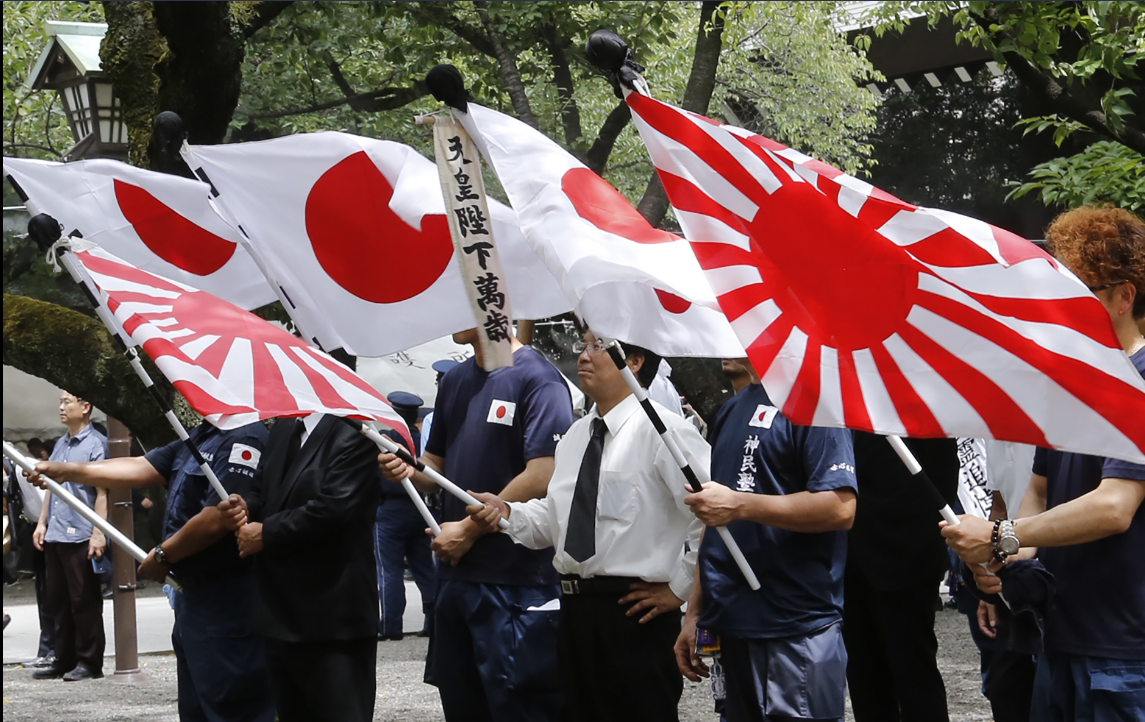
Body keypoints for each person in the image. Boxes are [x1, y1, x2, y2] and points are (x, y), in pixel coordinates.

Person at [943, 205, 1145, 721]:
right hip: (1062, 637)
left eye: (1080, 296)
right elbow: (1039, 490)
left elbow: (1114, 506)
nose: (1061, 310)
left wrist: (1000, 537)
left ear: (1124, 296)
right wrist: (1009, 563)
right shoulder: (1077, 385)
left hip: (1126, 655)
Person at [464, 331, 707, 722]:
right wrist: (507, 513)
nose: (583, 356)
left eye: (597, 346)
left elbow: (710, 513)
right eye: (583, 345)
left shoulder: (665, 432)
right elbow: (556, 519)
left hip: (634, 614)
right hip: (575, 611)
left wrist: (679, 589)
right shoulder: (577, 435)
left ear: (634, 361)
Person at [380, 328, 575, 722]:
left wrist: (468, 531)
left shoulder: (539, 377)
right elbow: (435, 464)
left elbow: (545, 470)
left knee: (520, 706)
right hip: (456, 578)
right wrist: (408, 467)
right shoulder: (455, 380)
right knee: (461, 701)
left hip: (516, 583)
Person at [32, 418, 275, 721]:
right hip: (191, 596)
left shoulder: (245, 436)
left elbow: (217, 518)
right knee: (196, 705)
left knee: (232, 703)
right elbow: (143, 466)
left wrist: (163, 555)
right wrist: (66, 471)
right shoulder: (204, 433)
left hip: (226, 596)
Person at [675, 358, 857, 722]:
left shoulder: (814, 402)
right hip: (732, 622)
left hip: (795, 624)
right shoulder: (729, 411)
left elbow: (840, 508)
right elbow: (715, 519)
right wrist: (695, 610)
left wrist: (740, 505)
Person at [220, 413, 381, 722]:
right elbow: (264, 489)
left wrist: (265, 533)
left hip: (332, 616)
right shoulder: (285, 427)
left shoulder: (355, 430)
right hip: (280, 612)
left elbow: (336, 508)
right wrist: (245, 507)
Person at [843, 431, 959, 722]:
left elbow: (943, 475)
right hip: (847, 554)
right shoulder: (840, 394)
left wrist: (927, 543)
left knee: (913, 671)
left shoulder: (915, 394)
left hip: (906, 552)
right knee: (862, 674)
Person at [29, 392, 108, 682]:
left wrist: (99, 532)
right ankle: (63, 659)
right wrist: (42, 523)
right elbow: (52, 488)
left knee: (83, 601)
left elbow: (102, 492)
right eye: (60, 402)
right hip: (56, 533)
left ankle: (89, 662)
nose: (61, 407)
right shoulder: (61, 443)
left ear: (86, 407)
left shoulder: (96, 445)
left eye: (68, 402)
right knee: (57, 600)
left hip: (81, 534)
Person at [374, 390, 436, 641]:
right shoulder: (423, 438)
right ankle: (433, 620)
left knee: (389, 570)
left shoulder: (385, 438)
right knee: (424, 568)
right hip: (419, 507)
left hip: (390, 510)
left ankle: (391, 625)